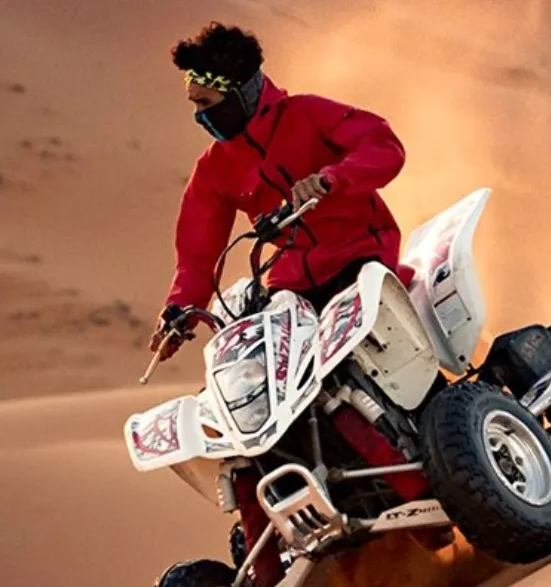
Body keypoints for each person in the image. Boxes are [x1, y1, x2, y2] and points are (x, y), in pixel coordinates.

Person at [149, 22, 407, 360]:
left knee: (377, 358)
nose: (199, 115)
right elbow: (197, 258)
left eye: (206, 102)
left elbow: (385, 147)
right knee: (263, 367)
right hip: (291, 282)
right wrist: (178, 312)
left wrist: (333, 178)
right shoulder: (212, 169)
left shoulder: (307, 113)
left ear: (240, 94)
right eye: (194, 104)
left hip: (362, 257)